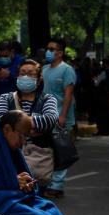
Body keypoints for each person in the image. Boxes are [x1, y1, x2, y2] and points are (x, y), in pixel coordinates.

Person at [0, 59, 58, 187]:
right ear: (17, 76)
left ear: (39, 79)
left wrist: (16, 126)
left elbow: (50, 120)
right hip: (10, 156)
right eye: (22, 73)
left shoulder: (48, 99)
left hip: (38, 158)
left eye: (31, 74)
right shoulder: (6, 98)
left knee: (37, 196)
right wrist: (33, 124)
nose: (25, 77)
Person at [42, 38, 77, 198]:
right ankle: (46, 181)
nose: (48, 51)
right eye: (48, 48)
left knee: (61, 150)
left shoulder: (67, 70)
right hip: (45, 116)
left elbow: (68, 95)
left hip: (61, 118)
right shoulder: (43, 69)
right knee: (46, 150)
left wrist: (62, 115)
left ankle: (57, 185)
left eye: (52, 48)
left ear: (60, 53)